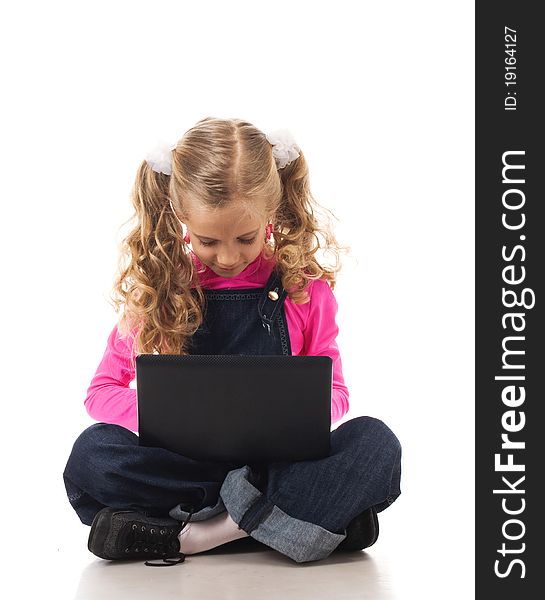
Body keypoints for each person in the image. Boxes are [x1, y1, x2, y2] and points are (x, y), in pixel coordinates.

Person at [63, 116, 401, 567]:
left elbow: (336, 392)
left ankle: (198, 534)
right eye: (207, 241)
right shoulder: (160, 289)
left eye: (245, 238)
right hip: (190, 468)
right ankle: (293, 523)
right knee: (93, 454)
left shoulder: (305, 287)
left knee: (376, 443)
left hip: (277, 464)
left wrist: (295, 419)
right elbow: (101, 391)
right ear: (181, 218)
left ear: (272, 214)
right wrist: (174, 419)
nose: (227, 256)